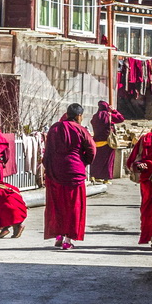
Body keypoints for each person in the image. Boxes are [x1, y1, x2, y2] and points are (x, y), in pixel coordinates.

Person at [43, 103, 95, 250]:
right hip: (74, 172)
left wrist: (49, 167)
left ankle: (58, 235)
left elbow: (47, 151)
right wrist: (82, 162)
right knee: (73, 207)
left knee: (57, 205)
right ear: (79, 116)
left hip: (55, 172)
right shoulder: (80, 129)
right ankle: (68, 240)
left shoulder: (54, 128)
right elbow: (91, 149)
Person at [89, 98, 124, 182]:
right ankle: (106, 178)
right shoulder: (109, 116)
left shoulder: (95, 116)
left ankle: (94, 176)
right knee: (108, 161)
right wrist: (114, 111)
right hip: (108, 142)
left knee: (96, 160)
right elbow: (121, 118)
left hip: (96, 141)